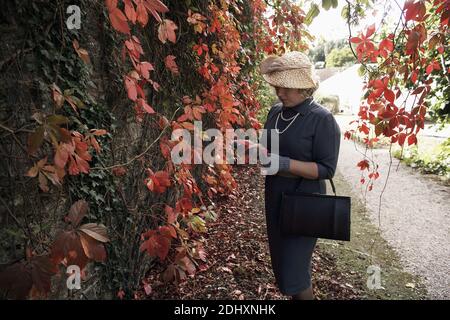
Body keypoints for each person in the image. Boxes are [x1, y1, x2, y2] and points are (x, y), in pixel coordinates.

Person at [259, 51, 341, 300]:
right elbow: (268, 149)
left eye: (286, 88)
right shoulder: (275, 112)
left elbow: (326, 169)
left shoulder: (322, 119)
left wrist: (283, 163)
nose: (279, 93)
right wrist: (253, 150)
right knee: (283, 270)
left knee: (295, 274)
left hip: (305, 201)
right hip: (275, 196)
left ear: (304, 88)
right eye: (277, 87)